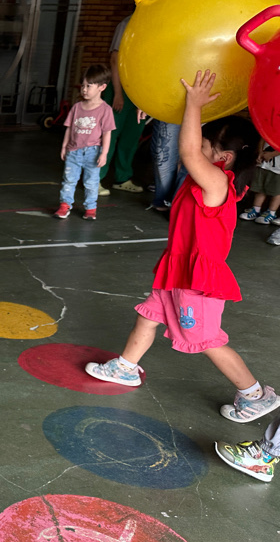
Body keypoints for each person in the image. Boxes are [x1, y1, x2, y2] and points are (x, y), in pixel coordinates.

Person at [86, 69, 278, 430]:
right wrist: (176, 108)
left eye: (205, 147)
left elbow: (187, 150)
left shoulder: (217, 183)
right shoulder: (204, 177)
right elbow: (190, 148)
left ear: (224, 158)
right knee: (149, 316)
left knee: (207, 340)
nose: (195, 151)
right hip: (179, 268)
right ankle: (126, 367)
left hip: (198, 281)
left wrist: (194, 104)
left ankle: (254, 394)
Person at [103, 0, 164, 194]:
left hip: (141, 92)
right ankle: (96, 179)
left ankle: (122, 178)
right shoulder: (127, 23)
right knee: (109, 136)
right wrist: (118, 93)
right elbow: (115, 60)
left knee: (131, 137)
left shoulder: (161, 25)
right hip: (120, 88)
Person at [53, 64, 114, 220]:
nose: (84, 90)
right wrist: (64, 147)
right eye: (83, 86)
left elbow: (107, 133)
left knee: (91, 182)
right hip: (74, 151)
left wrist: (104, 153)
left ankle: (91, 208)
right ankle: (64, 205)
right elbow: (69, 128)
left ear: (102, 87)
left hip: (93, 152)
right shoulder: (77, 107)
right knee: (69, 180)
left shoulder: (105, 110)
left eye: (89, 86)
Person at [237, 141, 280, 226]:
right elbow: (263, 138)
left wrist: (272, 154)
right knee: (260, 187)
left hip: (278, 167)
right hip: (264, 163)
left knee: (277, 191)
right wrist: (260, 152)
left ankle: (271, 212)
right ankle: (256, 209)